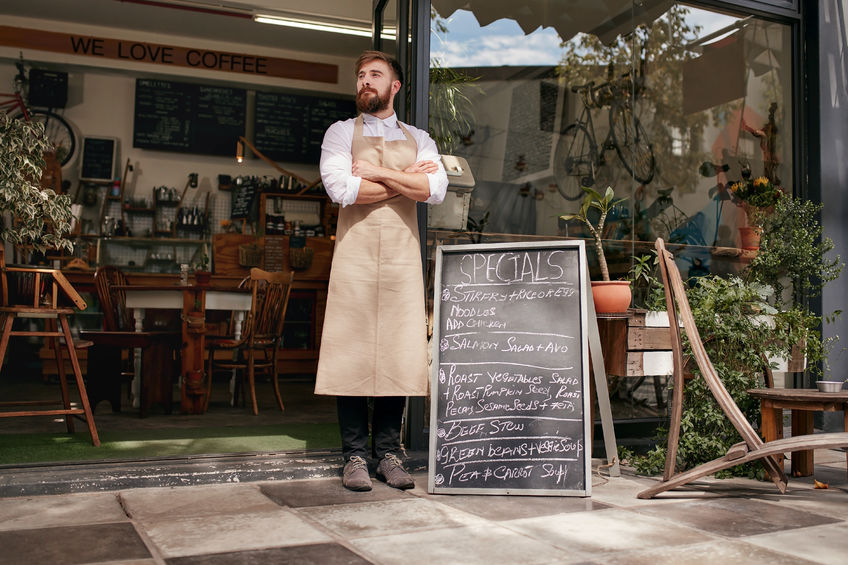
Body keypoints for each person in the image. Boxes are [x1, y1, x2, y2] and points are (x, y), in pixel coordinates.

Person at [315, 50, 448, 491]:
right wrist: (404, 178)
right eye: (360, 76)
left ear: (395, 86)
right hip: (354, 258)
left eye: (375, 75)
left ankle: (389, 453)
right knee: (350, 352)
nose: (364, 82)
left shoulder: (421, 138)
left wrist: (373, 171)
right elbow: (342, 190)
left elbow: (435, 190)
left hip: (400, 257)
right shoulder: (338, 134)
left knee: (397, 351)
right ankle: (354, 454)